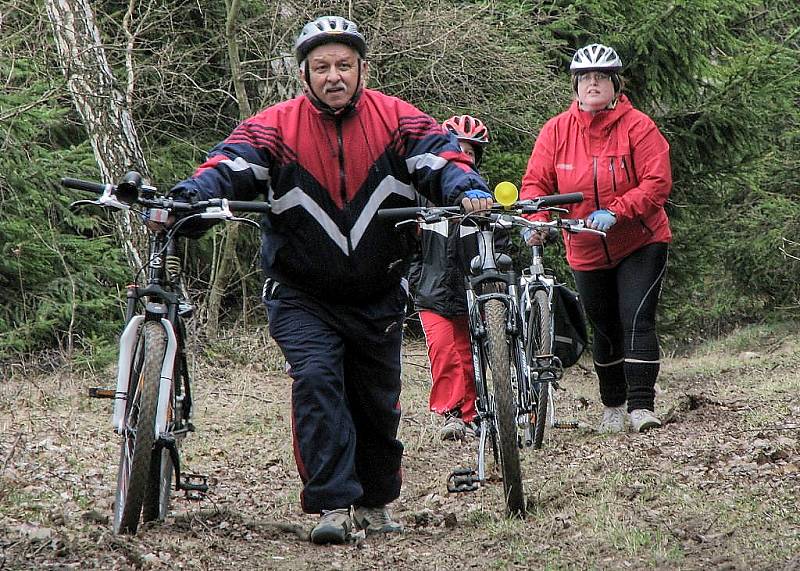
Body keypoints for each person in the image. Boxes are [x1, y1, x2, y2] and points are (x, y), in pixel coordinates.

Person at [169, 16, 492, 544]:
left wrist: (466, 187)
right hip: (302, 293)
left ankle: (375, 501)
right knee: (318, 383)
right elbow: (228, 164)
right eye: (322, 67)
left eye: (344, 65)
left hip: (378, 289)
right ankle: (333, 504)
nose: (334, 76)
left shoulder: (396, 118)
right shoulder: (274, 126)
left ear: (362, 68)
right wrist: (190, 195)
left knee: (375, 400)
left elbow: (442, 157)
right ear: (304, 73)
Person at [520, 43, 672, 434]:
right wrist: (536, 219)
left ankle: (641, 407)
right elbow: (536, 182)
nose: (593, 84)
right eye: (586, 78)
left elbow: (657, 183)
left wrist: (618, 210)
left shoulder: (638, 126)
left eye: (601, 77)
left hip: (639, 239)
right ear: (575, 85)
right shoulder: (556, 130)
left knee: (636, 319)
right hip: (584, 245)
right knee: (603, 327)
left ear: (615, 85)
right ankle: (613, 406)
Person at [413, 115, 490, 441]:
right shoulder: (420, 197)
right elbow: (408, 245)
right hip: (430, 290)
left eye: (470, 151)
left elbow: (497, 246)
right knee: (443, 350)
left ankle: (472, 414)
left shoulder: (484, 198)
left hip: (469, 290)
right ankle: (451, 412)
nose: (464, 155)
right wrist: (414, 278)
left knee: (469, 353)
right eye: (457, 148)